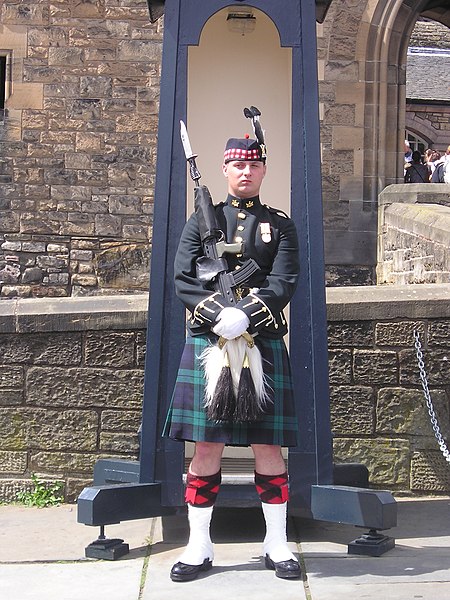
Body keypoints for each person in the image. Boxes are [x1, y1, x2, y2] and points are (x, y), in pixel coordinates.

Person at [165, 135, 301, 582]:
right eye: (237, 166)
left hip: (260, 338)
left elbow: (284, 282)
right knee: (206, 445)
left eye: (253, 166)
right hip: (210, 342)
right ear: (225, 169)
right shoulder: (203, 220)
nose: (245, 173)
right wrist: (215, 313)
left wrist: (246, 313)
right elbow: (183, 277)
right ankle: (198, 545)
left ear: (263, 170)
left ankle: (276, 542)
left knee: (268, 445)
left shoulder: (280, 226)